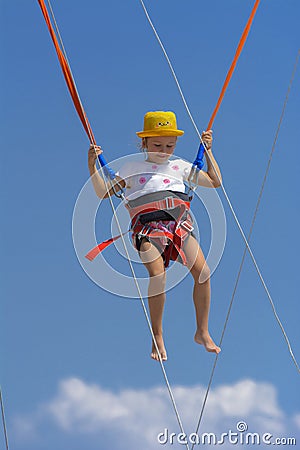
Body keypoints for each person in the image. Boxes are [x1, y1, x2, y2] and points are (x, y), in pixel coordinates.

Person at [87, 111, 222, 361]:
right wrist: (92, 166)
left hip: (179, 226)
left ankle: (202, 331)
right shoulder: (131, 168)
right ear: (144, 143)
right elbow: (103, 192)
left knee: (203, 273)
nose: (163, 150)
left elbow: (215, 181)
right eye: (157, 145)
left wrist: (208, 151)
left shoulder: (180, 167)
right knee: (158, 274)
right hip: (147, 229)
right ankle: (157, 335)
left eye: (170, 145)